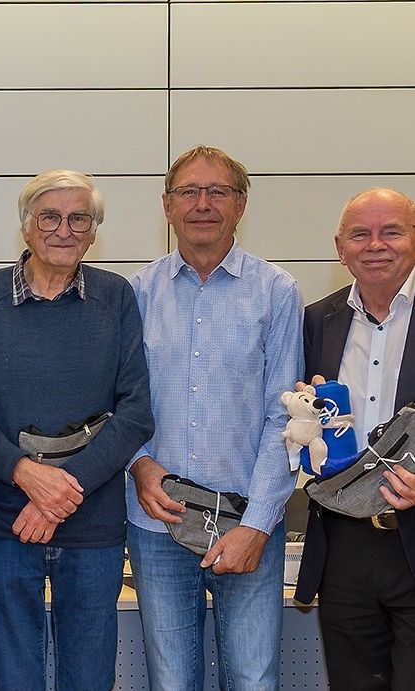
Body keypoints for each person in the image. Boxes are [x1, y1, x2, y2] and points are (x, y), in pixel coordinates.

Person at [0, 171, 154, 690]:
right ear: (26, 228)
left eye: (78, 218)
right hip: (4, 523)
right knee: (12, 675)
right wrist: (25, 476)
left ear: (93, 232)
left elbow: (135, 413)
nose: (63, 230)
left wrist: (62, 491)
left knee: (88, 678)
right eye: (49, 217)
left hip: (92, 527)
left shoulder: (117, 299)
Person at [127, 146, 303, 690]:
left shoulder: (277, 292)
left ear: (241, 205)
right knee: (172, 682)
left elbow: (287, 420)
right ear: (167, 206)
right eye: (189, 192)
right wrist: (138, 465)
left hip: (250, 522)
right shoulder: (135, 295)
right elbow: (120, 405)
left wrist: (256, 525)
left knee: (252, 680)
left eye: (218, 192)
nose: (203, 204)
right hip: (159, 523)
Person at [294, 188, 415, 688]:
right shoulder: (318, 320)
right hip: (342, 543)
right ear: (339, 248)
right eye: (360, 234)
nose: (376, 245)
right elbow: (299, 425)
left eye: (392, 231)